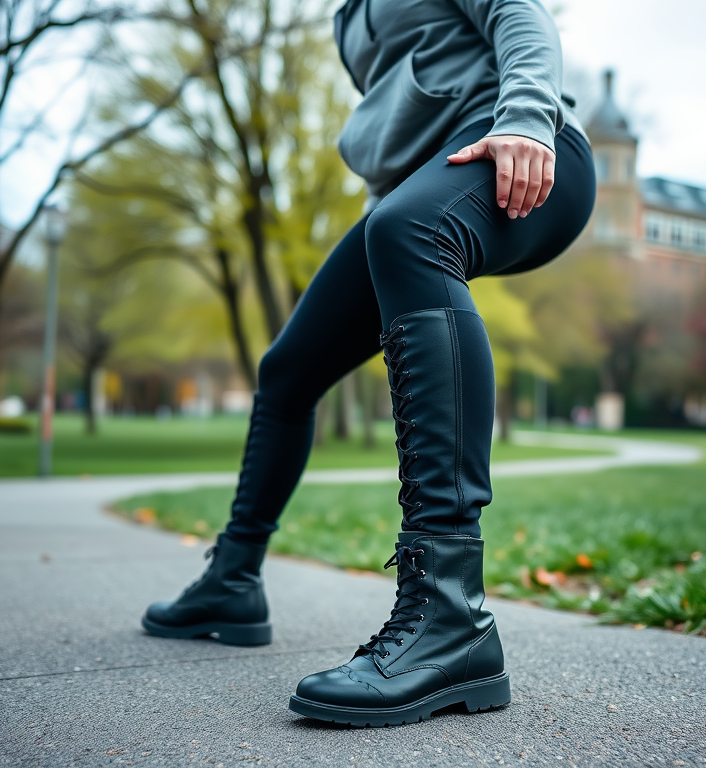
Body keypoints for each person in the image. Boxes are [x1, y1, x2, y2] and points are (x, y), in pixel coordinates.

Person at [141, 0, 596, 727]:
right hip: (419, 191)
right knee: (288, 369)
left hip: (525, 145)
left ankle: (450, 614)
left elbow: (522, 15)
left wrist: (525, 118)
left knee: (410, 228)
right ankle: (232, 578)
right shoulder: (347, 18)